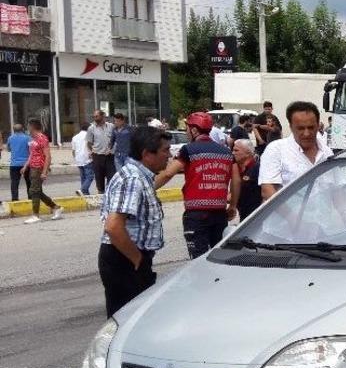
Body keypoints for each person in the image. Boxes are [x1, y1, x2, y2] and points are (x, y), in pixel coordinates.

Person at [98, 127, 172, 317]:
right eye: (165, 150)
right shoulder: (133, 179)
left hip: (129, 258)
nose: (169, 156)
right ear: (147, 154)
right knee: (126, 319)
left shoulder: (141, 176)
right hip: (124, 259)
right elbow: (114, 227)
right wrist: (137, 260)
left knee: (137, 317)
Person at [155, 112, 238, 259]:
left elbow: (168, 173)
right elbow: (236, 180)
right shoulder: (226, 152)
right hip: (219, 214)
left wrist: (147, 187)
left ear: (194, 130)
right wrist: (232, 205)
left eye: (187, 128)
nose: (186, 132)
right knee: (219, 258)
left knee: (197, 259)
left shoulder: (189, 150)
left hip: (196, 215)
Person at [259, 101, 332, 201]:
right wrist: (291, 212)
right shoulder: (276, 150)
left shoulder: (327, 152)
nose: (306, 133)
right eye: (300, 128)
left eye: (311, 128)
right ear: (291, 127)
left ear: (318, 126)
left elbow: (337, 190)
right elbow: (268, 191)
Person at [21, 119, 62, 224]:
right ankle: (56, 207)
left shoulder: (42, 138)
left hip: (39, 168)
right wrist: (26, 166)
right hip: (33, 167)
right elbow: (32, 154)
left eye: (28, 127)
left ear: (32, 127)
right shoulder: (33, 139)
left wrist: (44, 171)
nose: (27, 129)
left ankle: (35, 215)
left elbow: (48, 156)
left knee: (34, 191)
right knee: (35, 191)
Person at [231, 138, 261, 221]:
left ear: (247, 153)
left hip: (255, 216)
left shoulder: (257, 169)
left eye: (236, 150)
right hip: (243, 214)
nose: (233, 153)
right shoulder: (237, 169)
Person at [86, 110, 116, 193]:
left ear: (103, 116)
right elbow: (89, 143)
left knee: (112, 176)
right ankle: (101, 193)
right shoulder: (91, 128)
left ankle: (110, 193)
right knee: (99, 177)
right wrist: (92, 151)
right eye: (94, 117)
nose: (95, 118)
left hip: (110, 156)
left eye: (97, 116)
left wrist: (112, 149)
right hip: (97, 156)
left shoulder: (111, 126)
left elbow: (116, 140)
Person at [7, 124, 31, 201]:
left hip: (14, 164)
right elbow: (31, 149)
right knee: (29, 182)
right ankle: (30, 198)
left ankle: (15, 199)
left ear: (13, 130)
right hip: (26, 164)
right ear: (22, 129)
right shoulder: (28, 138)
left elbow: (8, 149)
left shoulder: (10, 138)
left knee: (14, 182)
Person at [72, 122, 92, 196]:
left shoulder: (75, 137)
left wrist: (76, 159)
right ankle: (82, 190)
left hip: (78, 160)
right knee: (90, 177)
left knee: (83, 177)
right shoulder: (88, 136)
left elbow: (73, 151)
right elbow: (91, 146)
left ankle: (85, 193)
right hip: (87, 159)